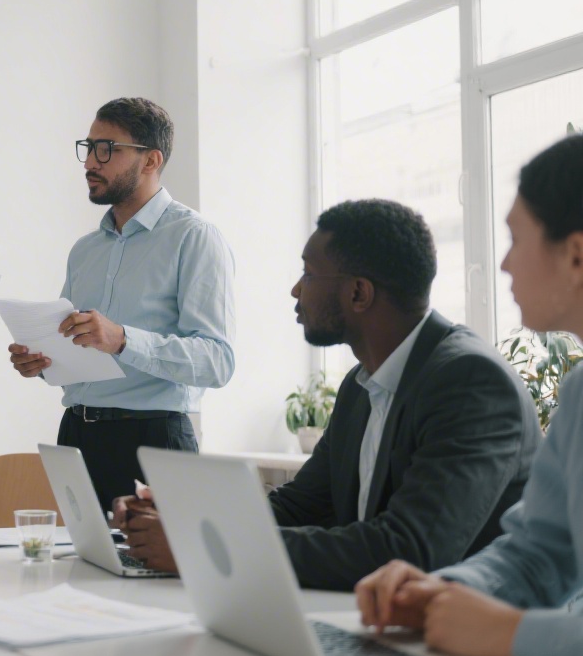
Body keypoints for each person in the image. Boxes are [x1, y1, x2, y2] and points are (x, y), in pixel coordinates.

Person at [115, 199, 538, 591]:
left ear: (358, 292)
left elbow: (410, 550)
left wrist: (206, 548)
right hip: (374, 620)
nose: (296, 290)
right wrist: (187, 518)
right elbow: (299, 507)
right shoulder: (361, 385)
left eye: (309, 274)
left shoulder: (470, 382)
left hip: (467, 644)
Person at [355, 135, 583, 656]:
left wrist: (509, 634)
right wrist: (449, 593)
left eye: (513, 238)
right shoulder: (578, 395)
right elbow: (537, 554)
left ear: (575, 255)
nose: (502, 263)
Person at [7, 97, 236, 513]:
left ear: (151, 161)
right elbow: (80, 346)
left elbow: (217, 362)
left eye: (107, 149)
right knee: (76, 574)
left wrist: (123, 339)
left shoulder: (194, 237)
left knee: (161, 576)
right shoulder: (84, 250)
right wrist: (42, 362)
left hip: (153, 442)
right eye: (89, 146)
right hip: (77, 437)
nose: (90, 162)